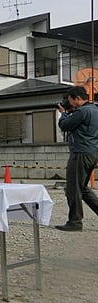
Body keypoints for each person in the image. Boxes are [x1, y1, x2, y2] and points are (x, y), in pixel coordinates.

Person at [55, 86, 98, 231]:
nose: (69, 103)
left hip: (80, 153)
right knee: (83, 189)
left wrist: (63, 113)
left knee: (72, 189)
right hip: (92, 152)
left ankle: (75, 222)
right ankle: (76, 220)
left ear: (78, 98)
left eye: (70, 100)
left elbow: (65, 125)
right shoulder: (95, 109)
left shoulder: (82, 111)